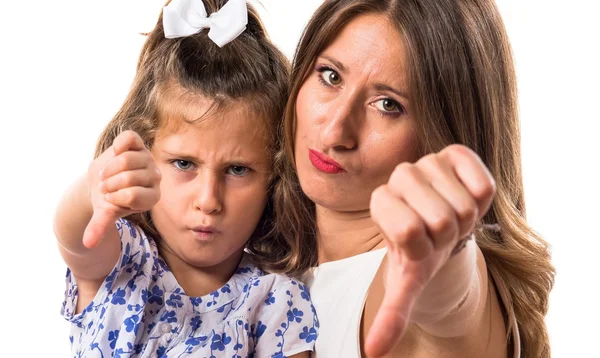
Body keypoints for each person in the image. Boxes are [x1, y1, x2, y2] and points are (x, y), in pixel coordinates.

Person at [272, 0, 555, 357]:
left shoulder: (405, 280)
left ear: (446, 132)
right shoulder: (262, 272)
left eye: (389, 104)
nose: (334, 131)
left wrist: (445, 258)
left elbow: (450, 305)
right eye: (331, 76)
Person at [54, 0, 318, 357]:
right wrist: (96, 187)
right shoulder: (122, 259)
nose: (208, 200)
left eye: (237, 170)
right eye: (183, 164)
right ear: (146, 156)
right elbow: (74, 236)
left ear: (275, 179)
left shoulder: (276, 301)